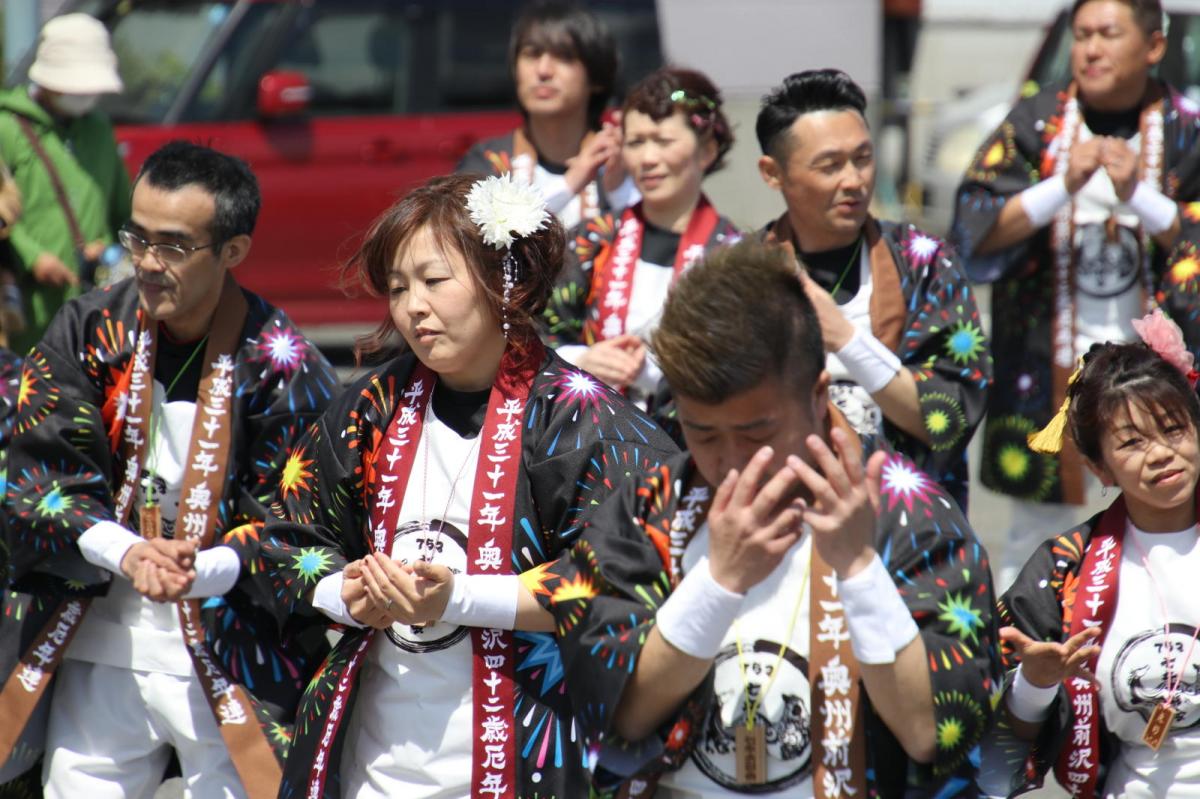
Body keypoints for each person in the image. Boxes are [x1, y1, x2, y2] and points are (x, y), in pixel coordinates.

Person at [241, 172, 678, 798]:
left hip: (529, 759)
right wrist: (343, 589)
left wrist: (458, 598)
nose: (412, 306)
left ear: (508, 280)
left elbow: (624, 574)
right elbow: (279, 535)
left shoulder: (583, 421)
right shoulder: (370, 406)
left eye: (434, 281)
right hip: (378, 759)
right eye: (396, 288)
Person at [535, 240, 1002, 797]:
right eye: (702, 432)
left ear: (817, 393)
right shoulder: (646, 508)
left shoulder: (909, 513)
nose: (734, 459)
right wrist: (719, 581)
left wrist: (858, 567)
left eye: (757, 432)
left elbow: (930, 734)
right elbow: (621, 713)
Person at [0, 141, 340, 798]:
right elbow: (34, 476)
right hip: (100, 635)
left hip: (224, 642)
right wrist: (127, 553)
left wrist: (197, 568)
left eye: (175, 246)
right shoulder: (89, 326)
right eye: (138, 238)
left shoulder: (281, 359)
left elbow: (303, 526)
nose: (150, 264)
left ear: (233, 250)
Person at [949, 0, 1200, 587]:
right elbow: (973, 229)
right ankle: (1031, 667)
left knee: (1172, 530)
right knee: (1034, 535)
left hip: (1161, 378)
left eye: (1108, 34)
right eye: (1081, 35)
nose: (1090, 49)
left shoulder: (1188, 131)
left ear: (1153, 45)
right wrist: (1061, 185)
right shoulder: (1033, 124)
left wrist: (1139, 194)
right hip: (1050, 379)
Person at [756, 69, 990, 510]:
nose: (854, 180)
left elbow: (949, 417)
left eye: (862, 158)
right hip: (781, 514)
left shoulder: (926, 262)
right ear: (773, 173)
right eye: (829, 166)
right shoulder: (738, 273)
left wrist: (844, 338)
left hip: (903, 521)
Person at [996, 309, 1200, 797]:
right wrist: (1035, 685)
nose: (1160, 454)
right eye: (1132, 442)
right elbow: (994, 757)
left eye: (1174, 430)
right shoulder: (1064, 568)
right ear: (1098, 467)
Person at [542, 66, 740, 420]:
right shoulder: (593, 239)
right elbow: (539, 333)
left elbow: (746, 368)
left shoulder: (734, 256)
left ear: (707, 151)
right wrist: (582, 360)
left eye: (663, 141)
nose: (648, 159)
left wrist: (652, 374)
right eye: (636, 142)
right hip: (592, 441)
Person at [0, 13, 131, 354]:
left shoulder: (99, 128)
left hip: (93, 301)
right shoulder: (8, 128)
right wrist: (33, 257)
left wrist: (110, 247)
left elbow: (121, 207)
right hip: (28, 307)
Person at [457, 0, 637, 229]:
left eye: (564, 57)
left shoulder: (619, 159)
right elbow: (473, 246)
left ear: (597, 77)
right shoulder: (487, 162)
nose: (543, 71)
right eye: (532, 54)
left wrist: (620, 190)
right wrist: (572, 180)